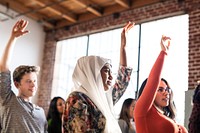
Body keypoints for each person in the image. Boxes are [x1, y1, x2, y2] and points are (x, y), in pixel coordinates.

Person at [62, 21, 134, 133]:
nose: (111, 76)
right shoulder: (77, 99)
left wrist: (123, 48)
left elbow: (122, 82)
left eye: (111, 72)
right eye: (106, 71)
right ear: (91, 73)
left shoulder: (102, 97)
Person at [0, 19, 48, 133]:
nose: (33, 85)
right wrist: (13, 38)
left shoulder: (40, 112)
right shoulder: (8, 101)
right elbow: (3, 67)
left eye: (35, 81)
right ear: (17, 84)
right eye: (28, 81)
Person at [134, 35, 188, 133]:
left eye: (167, 90)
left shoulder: (166, 116)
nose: (166, 93)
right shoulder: (142, 111)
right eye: (160, 90)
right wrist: (164, 52)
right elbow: (153, 80)